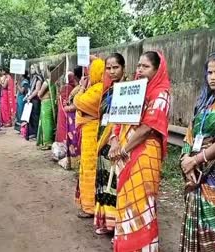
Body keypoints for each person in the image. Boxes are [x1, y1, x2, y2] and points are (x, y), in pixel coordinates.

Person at [110, 51, 171, 252]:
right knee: (125, 200)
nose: (139, 70)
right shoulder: (132, 90)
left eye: (145, 67)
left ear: (157, 70)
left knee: (142, 203)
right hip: (124, 152)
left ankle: (143, 247)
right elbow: (118, 119)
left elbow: (147, 129)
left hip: (145, 155)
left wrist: (123, 149)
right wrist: (114, 141)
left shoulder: (161, 94)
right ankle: (125, 244)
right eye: (138, 66)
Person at [178, 52, 215, 251]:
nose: (213, 77)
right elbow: (190, 131)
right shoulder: (204, 101)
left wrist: (197, 160)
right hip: (194, 166)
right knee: (194, 209)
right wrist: (186, 157)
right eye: (210, 72)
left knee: (214, 222)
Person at [94, 53, 128, 236]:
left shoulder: (129, 89)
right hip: (103, 141)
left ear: (123, 68)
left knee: (116, 183)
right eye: (109, 68)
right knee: (103, 181)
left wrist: (116, 139)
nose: (112, 71)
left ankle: (118, 226)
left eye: (116, 67)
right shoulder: (108, 91)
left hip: (118, 142)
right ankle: (106, 222)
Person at [74, 58, 105, 218]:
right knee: (88, 167)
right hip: (91, 131)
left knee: (90, 168)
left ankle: (89, 206)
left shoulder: (98, 89)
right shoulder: (98, 87)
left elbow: (78, 102)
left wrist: (81, 87)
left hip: (93, 133)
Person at [58, 66, 83, 170]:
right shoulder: (76, 88)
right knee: (73, 138)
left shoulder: (80, 88)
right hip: (72, 117)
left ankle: (75, 160)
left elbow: (78, 104)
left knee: (75, 138)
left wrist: (68, 107)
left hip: (74, 116)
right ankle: (74, 160)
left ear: (76, 77)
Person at [37, 65, 57, 150]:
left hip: (46, 103)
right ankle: (51, 140)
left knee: (46, 123)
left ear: (49, 71)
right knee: (51, 122)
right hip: (53, 105)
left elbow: (40, 94)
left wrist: (38, 92)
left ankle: (47, 142)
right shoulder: (56, 81)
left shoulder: (47, 82)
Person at [24, 64, 43, 140]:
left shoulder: (38, 78)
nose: (31, 70)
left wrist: (30, 97)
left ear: (36, 69)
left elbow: (37, 90)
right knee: (31, 116)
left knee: (35, 117)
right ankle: (32, 133)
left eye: (32, 68)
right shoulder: (33, 78)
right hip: (32, 99)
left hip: (36, 100)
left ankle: (36, 133)